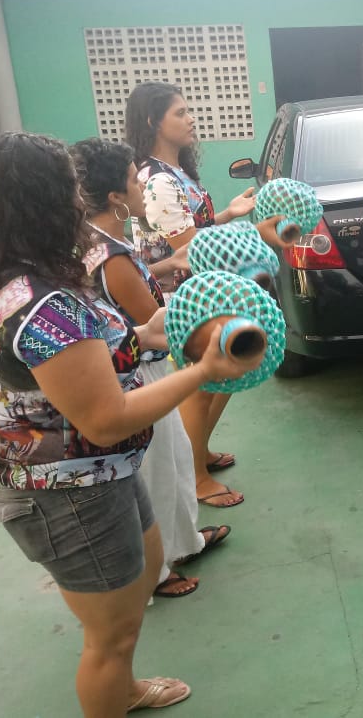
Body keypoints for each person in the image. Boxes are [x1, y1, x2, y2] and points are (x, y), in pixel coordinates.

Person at [0, 132, 260, 715]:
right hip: (70, 497)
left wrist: (153, 329)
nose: (80, 199)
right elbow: (106, 419)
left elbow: (99, 352)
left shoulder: (31, 278)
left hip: (101, 478)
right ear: (47, 201)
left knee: (136, 589)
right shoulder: (42, 305)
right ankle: (114, 686)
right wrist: (205, 370)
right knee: (110, 639)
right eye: (70, 189)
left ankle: (124, 688)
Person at [75, 138, 230, 599]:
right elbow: (153, 321)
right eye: (133, 180)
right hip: (139, 372)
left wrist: (168, 264)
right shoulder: (113, 256)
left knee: (175, 455)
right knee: (161, 468)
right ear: (115, 197)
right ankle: (158, 570)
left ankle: (184, 542)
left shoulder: (100, 242)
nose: (143, 186)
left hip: (135, 367)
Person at [125, 81, 256, 507]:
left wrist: (227, 214)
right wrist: (251, 236)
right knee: (201, 386)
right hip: (181, 299)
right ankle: (196, 477)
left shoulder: (173, 172)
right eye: (180, 113)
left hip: (199, 290)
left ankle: (199, 452)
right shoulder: (158, 180)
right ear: (153, 121)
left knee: (221, 377)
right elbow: (189, 246)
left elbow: (191, 231)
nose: (191, 119)